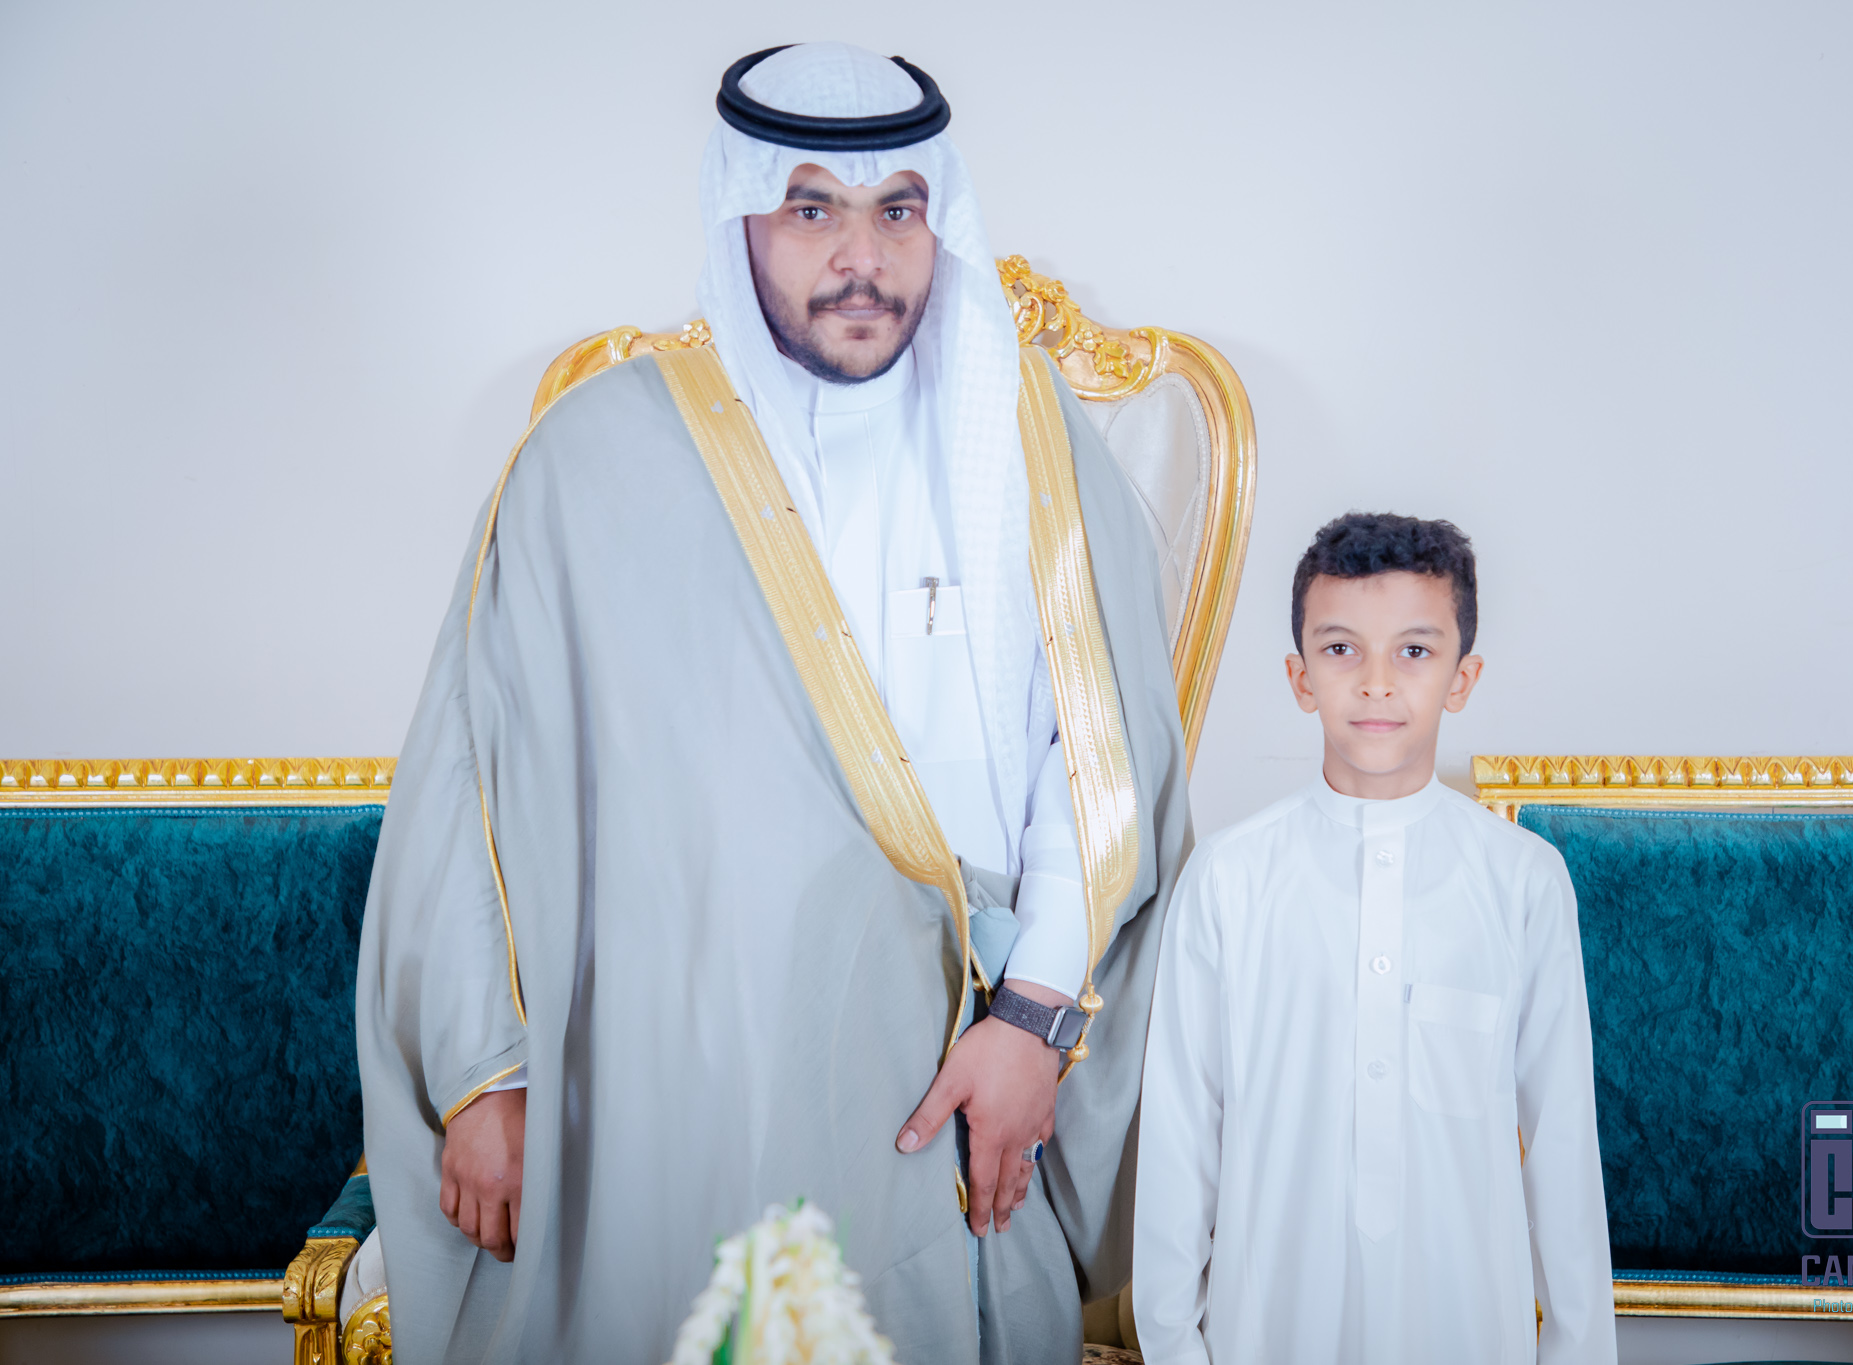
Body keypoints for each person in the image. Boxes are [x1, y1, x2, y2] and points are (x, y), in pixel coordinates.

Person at [356, 42, 1190, 1365]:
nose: (863, 256)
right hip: (653, 1080)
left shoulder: (1028, 443)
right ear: (740, 216)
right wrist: (484, 1075)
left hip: (941, 1065)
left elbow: (1102, 770)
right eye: (812, 210)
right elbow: (469, 779)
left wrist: (1031, 1027)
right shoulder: (591, 461)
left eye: (898, 211)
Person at [1132, 513, 1616, 1363]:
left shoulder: (1523, 882)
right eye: (1341, 649)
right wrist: (1173, 1347)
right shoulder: (1228, 879)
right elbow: (1180, 1138)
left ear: (1462, 678)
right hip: (1268, 1328)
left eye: (1415, 651)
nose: (1377, 683)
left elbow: (1563, 1144)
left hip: (1469, 1328)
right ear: (1300, 676)